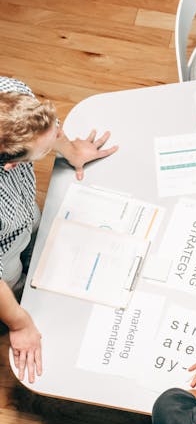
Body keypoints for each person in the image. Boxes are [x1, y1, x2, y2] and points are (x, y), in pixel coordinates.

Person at [0, 76, 117, 384]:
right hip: (3, 252)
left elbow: (49, 127)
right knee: (12, 283)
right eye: (46, 148)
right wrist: (20, 324)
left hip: (22, 212)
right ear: (10, 165)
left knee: (37, 233)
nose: (58, 136)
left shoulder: (13, 95)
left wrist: (73, 151)